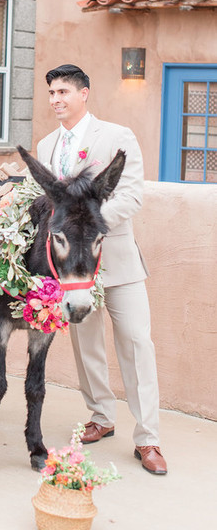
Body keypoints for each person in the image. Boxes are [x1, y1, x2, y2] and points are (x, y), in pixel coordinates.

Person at [36, 64, 167, 475]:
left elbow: (130, 197)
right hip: (73, 273)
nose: (56, 100)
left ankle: (148, 438)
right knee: (86, 346)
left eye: (64, 92)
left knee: (136, 343)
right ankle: (101, 417)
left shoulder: (116, 137)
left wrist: (81, 223)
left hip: (119, 263)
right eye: (52, 93)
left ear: (84, 93)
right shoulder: (44, 147)